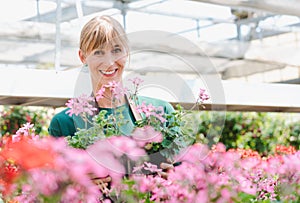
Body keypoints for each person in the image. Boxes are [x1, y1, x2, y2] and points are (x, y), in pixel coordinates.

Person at [48, 15, 175, 137]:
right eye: (98, 52)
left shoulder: (161, 112)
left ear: (127, 53)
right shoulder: (64, 124)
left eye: (116, 50)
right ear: (83, 57)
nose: (109, 63)